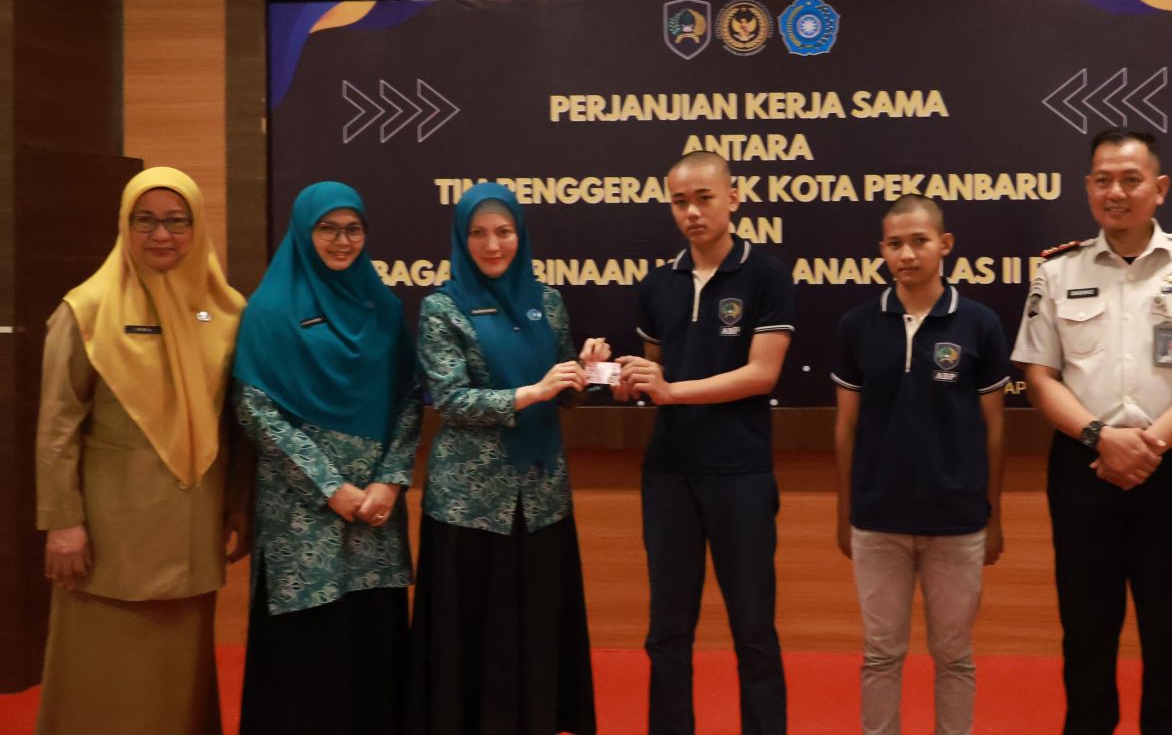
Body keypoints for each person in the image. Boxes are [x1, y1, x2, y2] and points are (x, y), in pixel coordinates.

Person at [1011, 128, 1172, 735]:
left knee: (1171, 623)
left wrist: (1150, 446)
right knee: (1085, 627)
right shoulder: (1057, 271)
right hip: (1083, 465)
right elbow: (1039, 376)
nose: (1115, 192)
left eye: (1130, 179)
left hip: (1171, 467)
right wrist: (1101, 437)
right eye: (1103, 180)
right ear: (1088, 188)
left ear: (1160, 188)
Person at [34, 167, 248, 735]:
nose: (162, 235)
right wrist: (62, 523)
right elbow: (57, 427)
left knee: (177, 677)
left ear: (197, 227)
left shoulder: (226, 312)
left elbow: (235, 423)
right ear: (124, 226)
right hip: (109, 534)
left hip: (192, 525)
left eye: (177, 221)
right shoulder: (86, 310)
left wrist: (238, 505)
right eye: (145, 220)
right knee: (100, 672)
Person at [408, 182, 602, 735]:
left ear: (521, 234)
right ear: (461, 238)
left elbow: (562, 390)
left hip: (541, 497)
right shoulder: (442, 308)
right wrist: (532, 393)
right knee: (471, 642)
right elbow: (451, 399)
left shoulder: (548, 302)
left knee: (537, 629)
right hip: (470, 505)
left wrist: (585, 371)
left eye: (504, 231)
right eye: (478, 233)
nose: (492, 245)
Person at [614, 150, 795, 735]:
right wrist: (627, 380)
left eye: (704, 198)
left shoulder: (766, 276)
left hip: (740, 471)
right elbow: (657, 375)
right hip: (668, 473)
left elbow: (762, 374)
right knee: (667, 632)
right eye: (679, 202)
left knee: (754, 631)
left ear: (733, 198)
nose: (691, 212)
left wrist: (670, 391)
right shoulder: (657, 284)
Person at [232, 181, 421, 734]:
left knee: (371, 643)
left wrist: (390, 480)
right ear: (303, 231)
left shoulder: (382, 307)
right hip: (302, 514)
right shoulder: (270, 310)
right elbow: (254, 408)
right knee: (308, 654)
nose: (342, 241)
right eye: (328, 229)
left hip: (375, 510)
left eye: (353, 229)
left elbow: (410, 395)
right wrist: (328, 486)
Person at [831, 195, 1011, 735]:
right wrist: (845, 512)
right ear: (882, 250)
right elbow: (846, 427)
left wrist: (993, 516)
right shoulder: (858, 325)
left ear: (944, 244)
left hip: (957, 521)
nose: (906, 254)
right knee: (880, 654)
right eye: (895, 244)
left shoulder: (979, 324)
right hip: (877, 520)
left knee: (954, 656)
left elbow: (994, 428)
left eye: (919, 241)